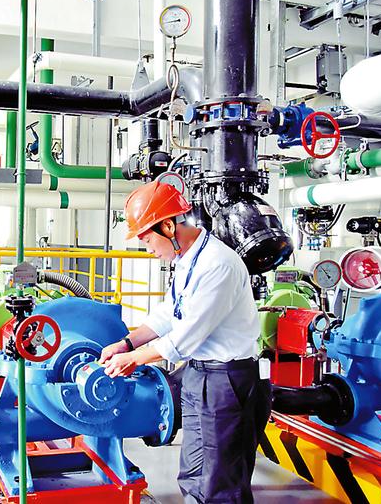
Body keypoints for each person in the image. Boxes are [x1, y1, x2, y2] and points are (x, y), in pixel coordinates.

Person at [99, 181, 271, 503]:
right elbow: (169, 313)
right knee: (192, 474)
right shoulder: (186, 261)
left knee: (222, 483)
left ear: (168, 226)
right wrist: (127, 344)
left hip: (228, 381)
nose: (147, 248)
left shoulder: (218, 264)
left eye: (146, 239)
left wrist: (133, 360)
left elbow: (185, 337)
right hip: (198, 376)